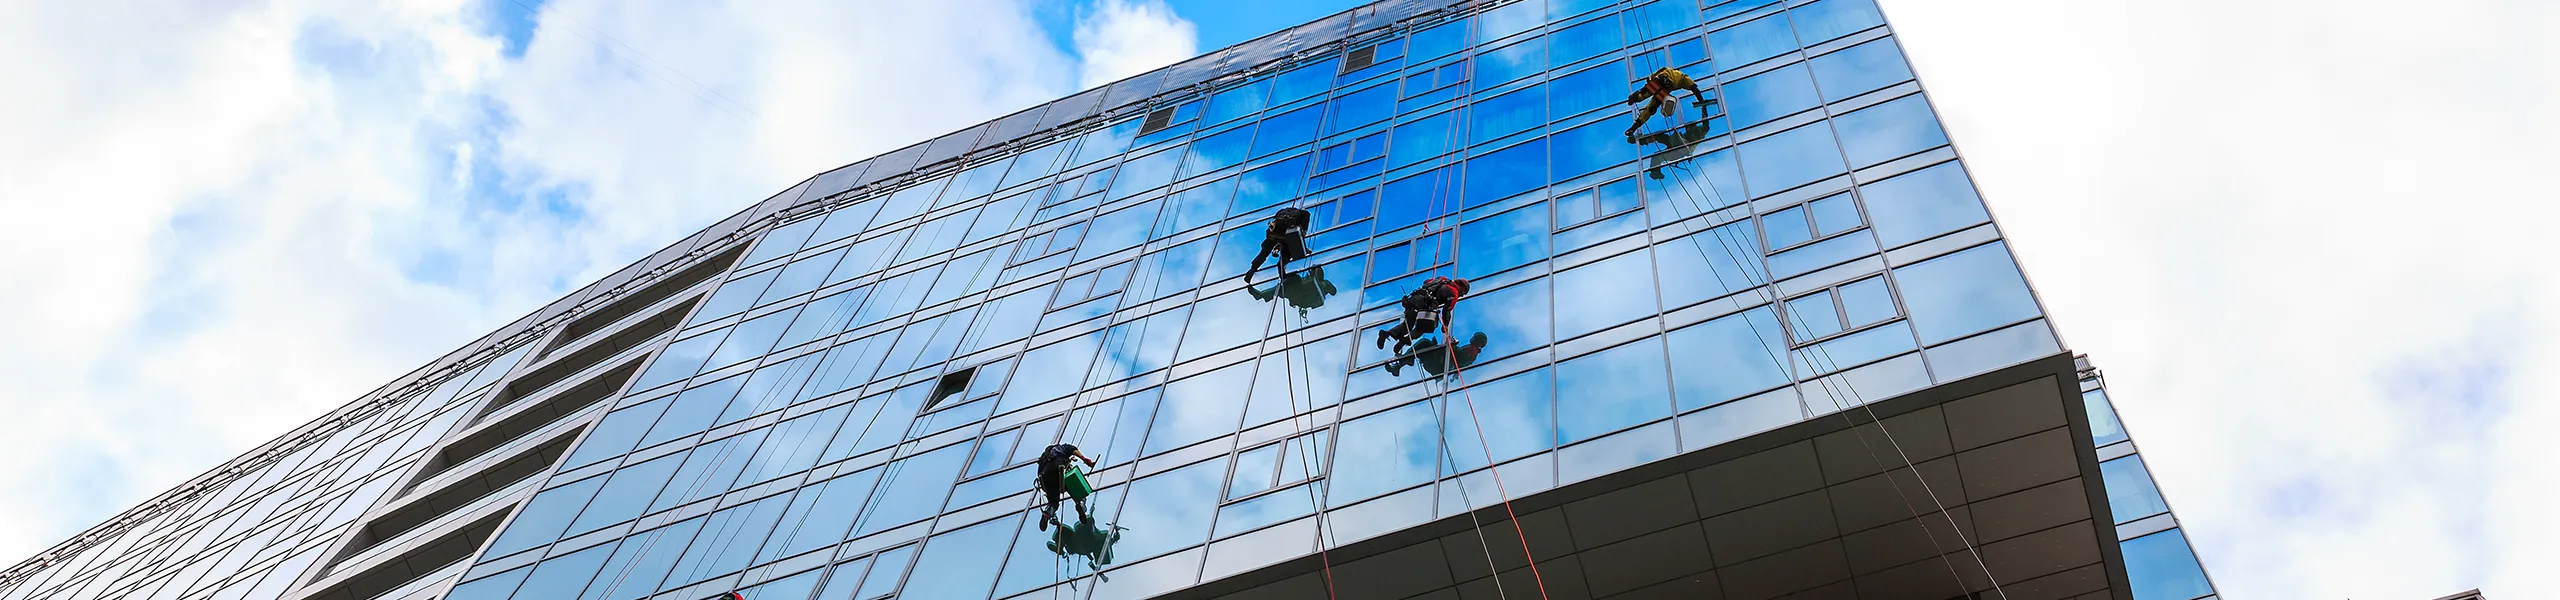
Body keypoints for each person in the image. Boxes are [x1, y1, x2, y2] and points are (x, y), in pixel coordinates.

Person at [1375, 276, 1469, 354]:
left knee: (1407, 325)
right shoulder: (1454, 292)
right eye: (1463, 293)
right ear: (1462, 288)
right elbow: (1447, 310)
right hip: (1424, 304)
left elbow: (1426, 281)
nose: (1462, 295)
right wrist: (1446, 324)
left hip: (1413, 299)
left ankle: (1386, 333)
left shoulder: (1442, 279)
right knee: (1425, 326)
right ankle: (1406, 340)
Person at [1624, 67, 1709, 138]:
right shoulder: (1684, 78)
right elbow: (1694, 89)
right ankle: (1634, 126)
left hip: (1660, 80)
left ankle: (1635, 101)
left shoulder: (1668, 70)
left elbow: (1654, 74)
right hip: (1666, 84)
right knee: (1651, 108)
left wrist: (1650, 79)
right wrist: (1701, 101)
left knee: (1645, 97)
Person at [1035, 443, 1098, 530]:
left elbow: (1039, 475)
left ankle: (1047, 513)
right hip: (1059, 467)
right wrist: (1085, 459)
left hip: (1046, 476)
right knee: (1076, 490)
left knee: (1054, 503)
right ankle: (1080, 504)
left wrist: (1047, 489)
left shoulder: (1044, 457)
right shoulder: (1061, 448)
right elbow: (1073, 450)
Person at [1247, 207, 1313, 281]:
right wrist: (1303, 235)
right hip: (1286, 236)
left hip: (1274, 234)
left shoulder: (1282, 211)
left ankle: (1252, 269)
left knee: (1264, 253)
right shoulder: (1303, 213)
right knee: (1287, 253)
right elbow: (1303, 229)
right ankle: (1281, 270)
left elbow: (1275, 220)